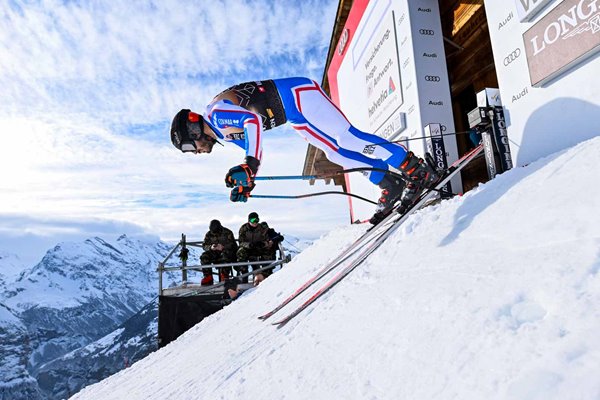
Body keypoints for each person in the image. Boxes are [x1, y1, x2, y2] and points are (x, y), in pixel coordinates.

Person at [170, 77, 439, 224]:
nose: (193, 151)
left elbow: (253, 122)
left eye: (188, 146)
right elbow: (256, 141)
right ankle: (388, 183)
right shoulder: (222, 130)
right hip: (294, 114)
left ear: (193, 131)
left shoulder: (216, 115)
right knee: (335, 153)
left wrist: (249, 164)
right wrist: (248, 180)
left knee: (348, 138)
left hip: (300, 96)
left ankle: (415, 168)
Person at [236, 212, 275, 284]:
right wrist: (249, 245)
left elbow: (268, 241)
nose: (255, 222)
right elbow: (241, 242)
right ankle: (244, 274)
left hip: (259, 248)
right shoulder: (244, 228)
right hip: (248, 249)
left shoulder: (262, 228)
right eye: (253, 220)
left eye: (257, 220)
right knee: (240, 252)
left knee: (268, 252)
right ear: (249, 220)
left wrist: (263, 244)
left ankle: (265, 274)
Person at [199, 219, 238, 285]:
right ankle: (208, 277)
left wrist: (223, 247)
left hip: (226, 252)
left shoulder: (227, 232)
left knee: (225, 255)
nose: (214, 233)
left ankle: (224, 275)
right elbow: (204, 245)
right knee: (204, 256)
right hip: (214, 253)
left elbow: (233, 245)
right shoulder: (209, 234)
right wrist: (211, 247)